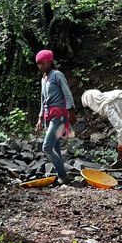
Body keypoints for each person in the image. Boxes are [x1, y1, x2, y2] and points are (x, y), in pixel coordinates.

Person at [35, 49, 77, 184]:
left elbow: (67, 93)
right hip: (48, 116)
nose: (40, 66)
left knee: (46, 147)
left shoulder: (57, 75)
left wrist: (71, 111)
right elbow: (43, 99)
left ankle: (63, 175)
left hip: (59, 116)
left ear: (49, 62)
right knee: (55, 147)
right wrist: (40, 117)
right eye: (38, 63)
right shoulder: (43, 79)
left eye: (42, 63)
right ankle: (62, 176)